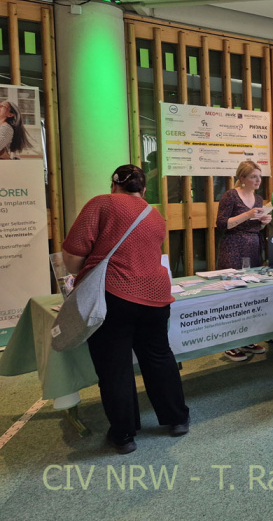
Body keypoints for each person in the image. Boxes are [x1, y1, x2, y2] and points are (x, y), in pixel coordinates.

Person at [61, 165, 189, 454]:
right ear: (143, 189)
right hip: (156, 296)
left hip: (113, 296)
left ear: (113, 185)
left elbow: (72, 257)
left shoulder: (101, 204)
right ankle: (177, 419)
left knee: (115, 366)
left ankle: (124, 435)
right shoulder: (154, 214)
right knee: (159, 357)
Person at [216, 160, 273, 361]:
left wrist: (264, 222)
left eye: (259, 176)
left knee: (250, 293)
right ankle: (230, 343)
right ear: (242, 178)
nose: (258, 180)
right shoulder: (230, 195)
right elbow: (221, 224)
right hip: (232, 246)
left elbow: (254, 226)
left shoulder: (258, 198)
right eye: (253, 177)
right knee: (233, 295)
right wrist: (248, 214)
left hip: (252, 246)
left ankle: (247, 338)